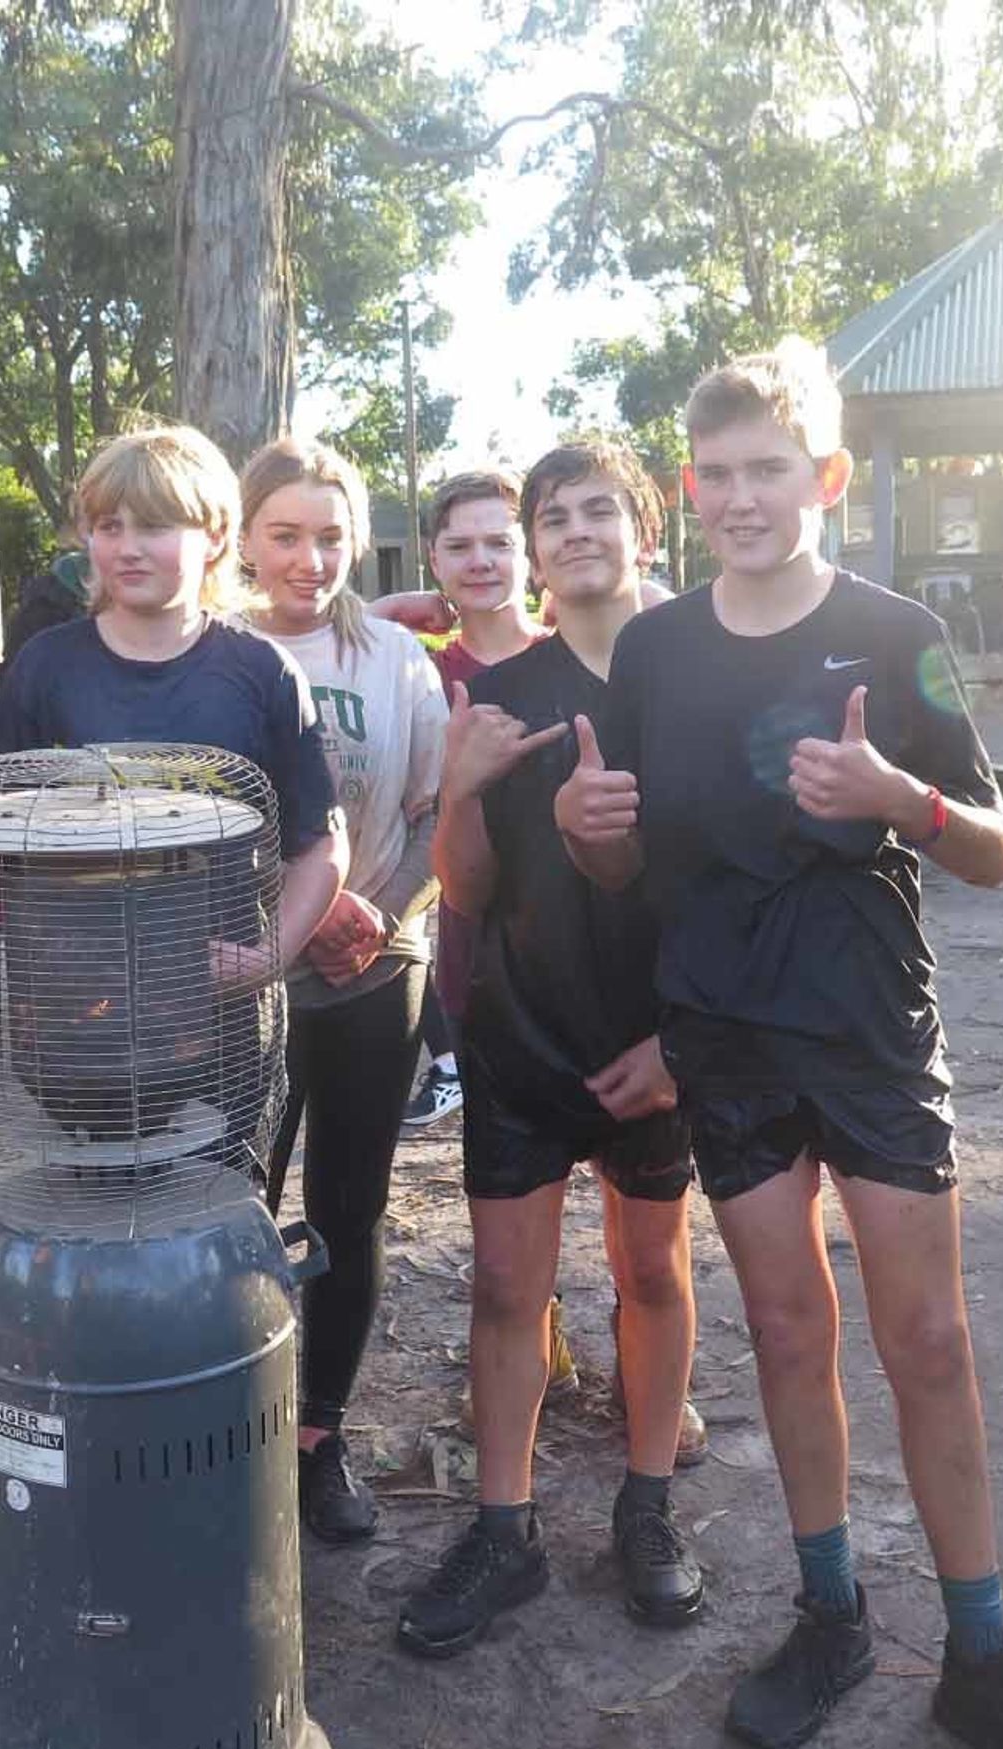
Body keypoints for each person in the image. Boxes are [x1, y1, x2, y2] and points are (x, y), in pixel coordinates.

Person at [554, 340, 1003, 1749]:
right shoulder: (656, 653)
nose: (742, 497)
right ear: (690, 487)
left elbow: (998, 848)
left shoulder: (900, 632)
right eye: (717, 474)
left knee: (926, 1336)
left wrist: (901, 798)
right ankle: (831, 1615)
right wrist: (581, 830)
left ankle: (982, 1658)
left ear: (829, 476)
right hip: (726, 1040)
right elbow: (628, 868)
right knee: (789, 1329)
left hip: (869, 1029)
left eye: (771, 470)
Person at [397, 439, 706, 1656]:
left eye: (598, 511)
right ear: (533, 550)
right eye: (553, 517)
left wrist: (681, 1039)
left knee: (654, 1274)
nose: (575, 532)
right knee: (504, 1289)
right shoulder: (500, 693)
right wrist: (462, 788)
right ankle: (503, 1528)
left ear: (645, 531)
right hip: (521, 1033)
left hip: (656, 1036)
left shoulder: (692, 681)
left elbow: (733, 882)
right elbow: (468, 891)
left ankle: (648, 1506)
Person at [240, 437, 448, 1545]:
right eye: (284, 535)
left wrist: (381, 917)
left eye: (330, 536)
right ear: (243, 536)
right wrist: (302, 917)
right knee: (234, 1209)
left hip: (375, 971)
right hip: (247, 978)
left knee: (348, 1212)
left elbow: (436, 814)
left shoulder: (396, 659)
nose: (308, 560)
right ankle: (234, 1426)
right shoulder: (213, 651)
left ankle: (320, 1438)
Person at [0, 424, 344, 1013]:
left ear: (215, 536)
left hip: (223, 1014)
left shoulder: (263, 672)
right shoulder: (43, 667)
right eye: (110, 527)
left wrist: (268, 957)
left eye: (154, 526)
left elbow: (322, 844)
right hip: (79, 1014)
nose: (128, 548)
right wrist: (44, 952)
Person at [397, 468, 541, 1132]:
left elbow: (651, 603)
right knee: (508, 1167)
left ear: (530, 549)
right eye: (458, 546)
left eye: (499, 542)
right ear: (434, 559)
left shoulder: (580, 652)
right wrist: (394, 608)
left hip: (590, 952)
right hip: (474, 957)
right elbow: (325, 639)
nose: (480, 560)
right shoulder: (418, 671)